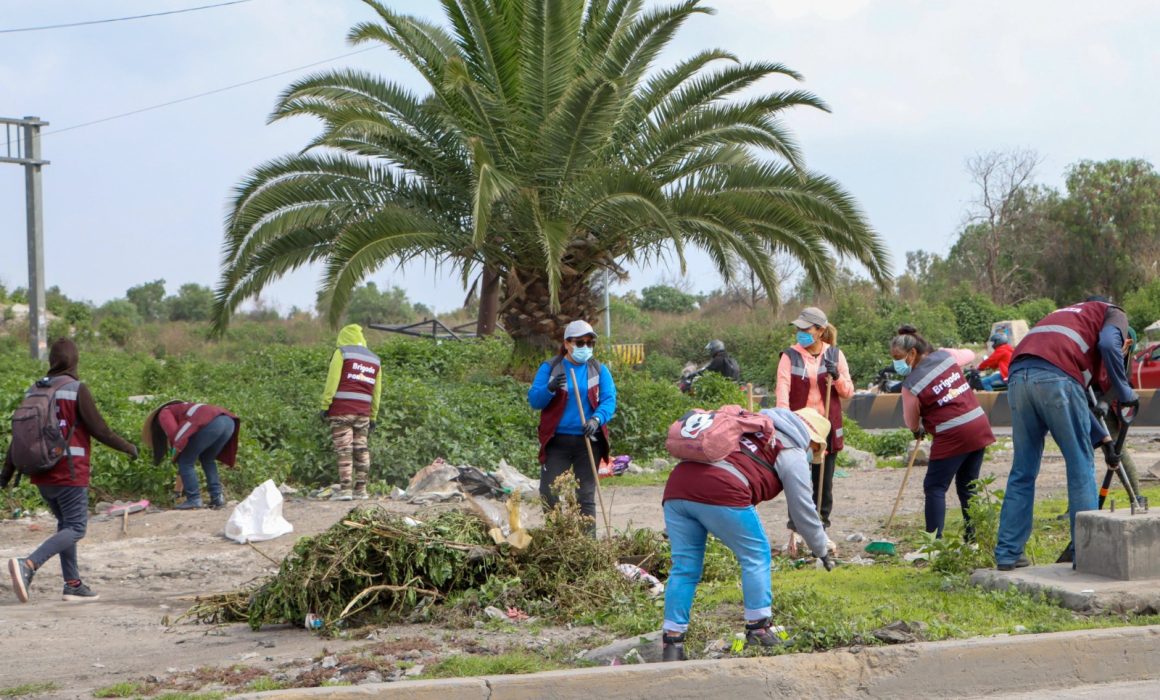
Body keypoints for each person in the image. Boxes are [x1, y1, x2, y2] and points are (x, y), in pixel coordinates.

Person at [660, 407, 835, 662]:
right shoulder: (791, 449)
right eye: (816, 449)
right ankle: (759, 629)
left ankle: (672, 643)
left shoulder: (751, 427)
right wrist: (821, 548)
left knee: (684, 567)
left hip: (677, 488)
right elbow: (802, 508)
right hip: (722, 489)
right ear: (813, 439)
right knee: (756, 555)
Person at [995, 298, 1137, 570]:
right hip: (1057, 378)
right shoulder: (1115, 313)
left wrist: (1105, 441)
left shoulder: (1070, 316)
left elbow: (1078, 403)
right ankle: (1086, 555)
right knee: (1080, 463)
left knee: (1023, 470)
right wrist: (1124, 389)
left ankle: (1009, 553)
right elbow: (1108, 344)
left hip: (1018, 377)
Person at [2, 338, 138, 603]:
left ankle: (73, 584)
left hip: (41, 475)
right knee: (76, 528)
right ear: (75, 360)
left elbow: (19, 437)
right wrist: (129, 448)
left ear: (51, 361)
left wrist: (5, 475)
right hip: (69, 473)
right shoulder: (76, 389)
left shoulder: (35, 390)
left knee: (65, 526)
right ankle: (28, 565)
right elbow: (101, 430)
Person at [891, 325, 995, 540]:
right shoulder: (946, 356)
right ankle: (973, 540)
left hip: (952, 434)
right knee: (968, 486)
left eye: (898, 358)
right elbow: (969, 354)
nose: (896, 364)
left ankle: (934, 544)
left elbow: (911, 420)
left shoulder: (911, 384)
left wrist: (917, 430)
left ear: (912, 353)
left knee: (935, 487)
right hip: (977, 425)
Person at [775, 306, 853, 541]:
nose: (800, 332)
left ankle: (821, 527)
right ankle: (796, 529)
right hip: (799, 427)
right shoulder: (789, 356)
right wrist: (783, 422)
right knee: (796, 479)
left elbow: (848, 391)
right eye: (798, 328)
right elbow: (782, 390)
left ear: (819, 331)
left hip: (826, 427)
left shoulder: (835, 355)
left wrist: (836, 377)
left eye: (805, 328)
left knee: (823, 480)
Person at [527, 320, 616, 526]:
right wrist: (549, 388)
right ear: (567, 343)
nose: (585, 347)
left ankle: (588, 545)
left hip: (588, 440)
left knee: (585, 495)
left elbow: (609, 399)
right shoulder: (550, 368)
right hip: (557, 441)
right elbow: (534, 400)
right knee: (549, 492)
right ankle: (557, 538)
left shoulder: (598, 369)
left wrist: (597, 419)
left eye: (589, 343)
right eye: (580, 343)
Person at [320, 324, 382, 501]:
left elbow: (332, 381)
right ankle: (361, 491)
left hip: (341, 410)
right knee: (361, 449)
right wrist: (373, 416)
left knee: (344, 450)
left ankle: (346, 490)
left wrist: (325, 405)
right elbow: (377, 391)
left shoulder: (342, 353)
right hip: (363, 413)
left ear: (343, 336)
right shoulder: (375, 359)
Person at [143, 401, 241, 509]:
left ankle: (194, 499)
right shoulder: (184, 409)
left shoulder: (164, 412)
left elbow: (175, 436)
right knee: (207, 459)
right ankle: (217, 498)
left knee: (185, 461)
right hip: (229, 422)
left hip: (211, 423)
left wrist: (176, 456)